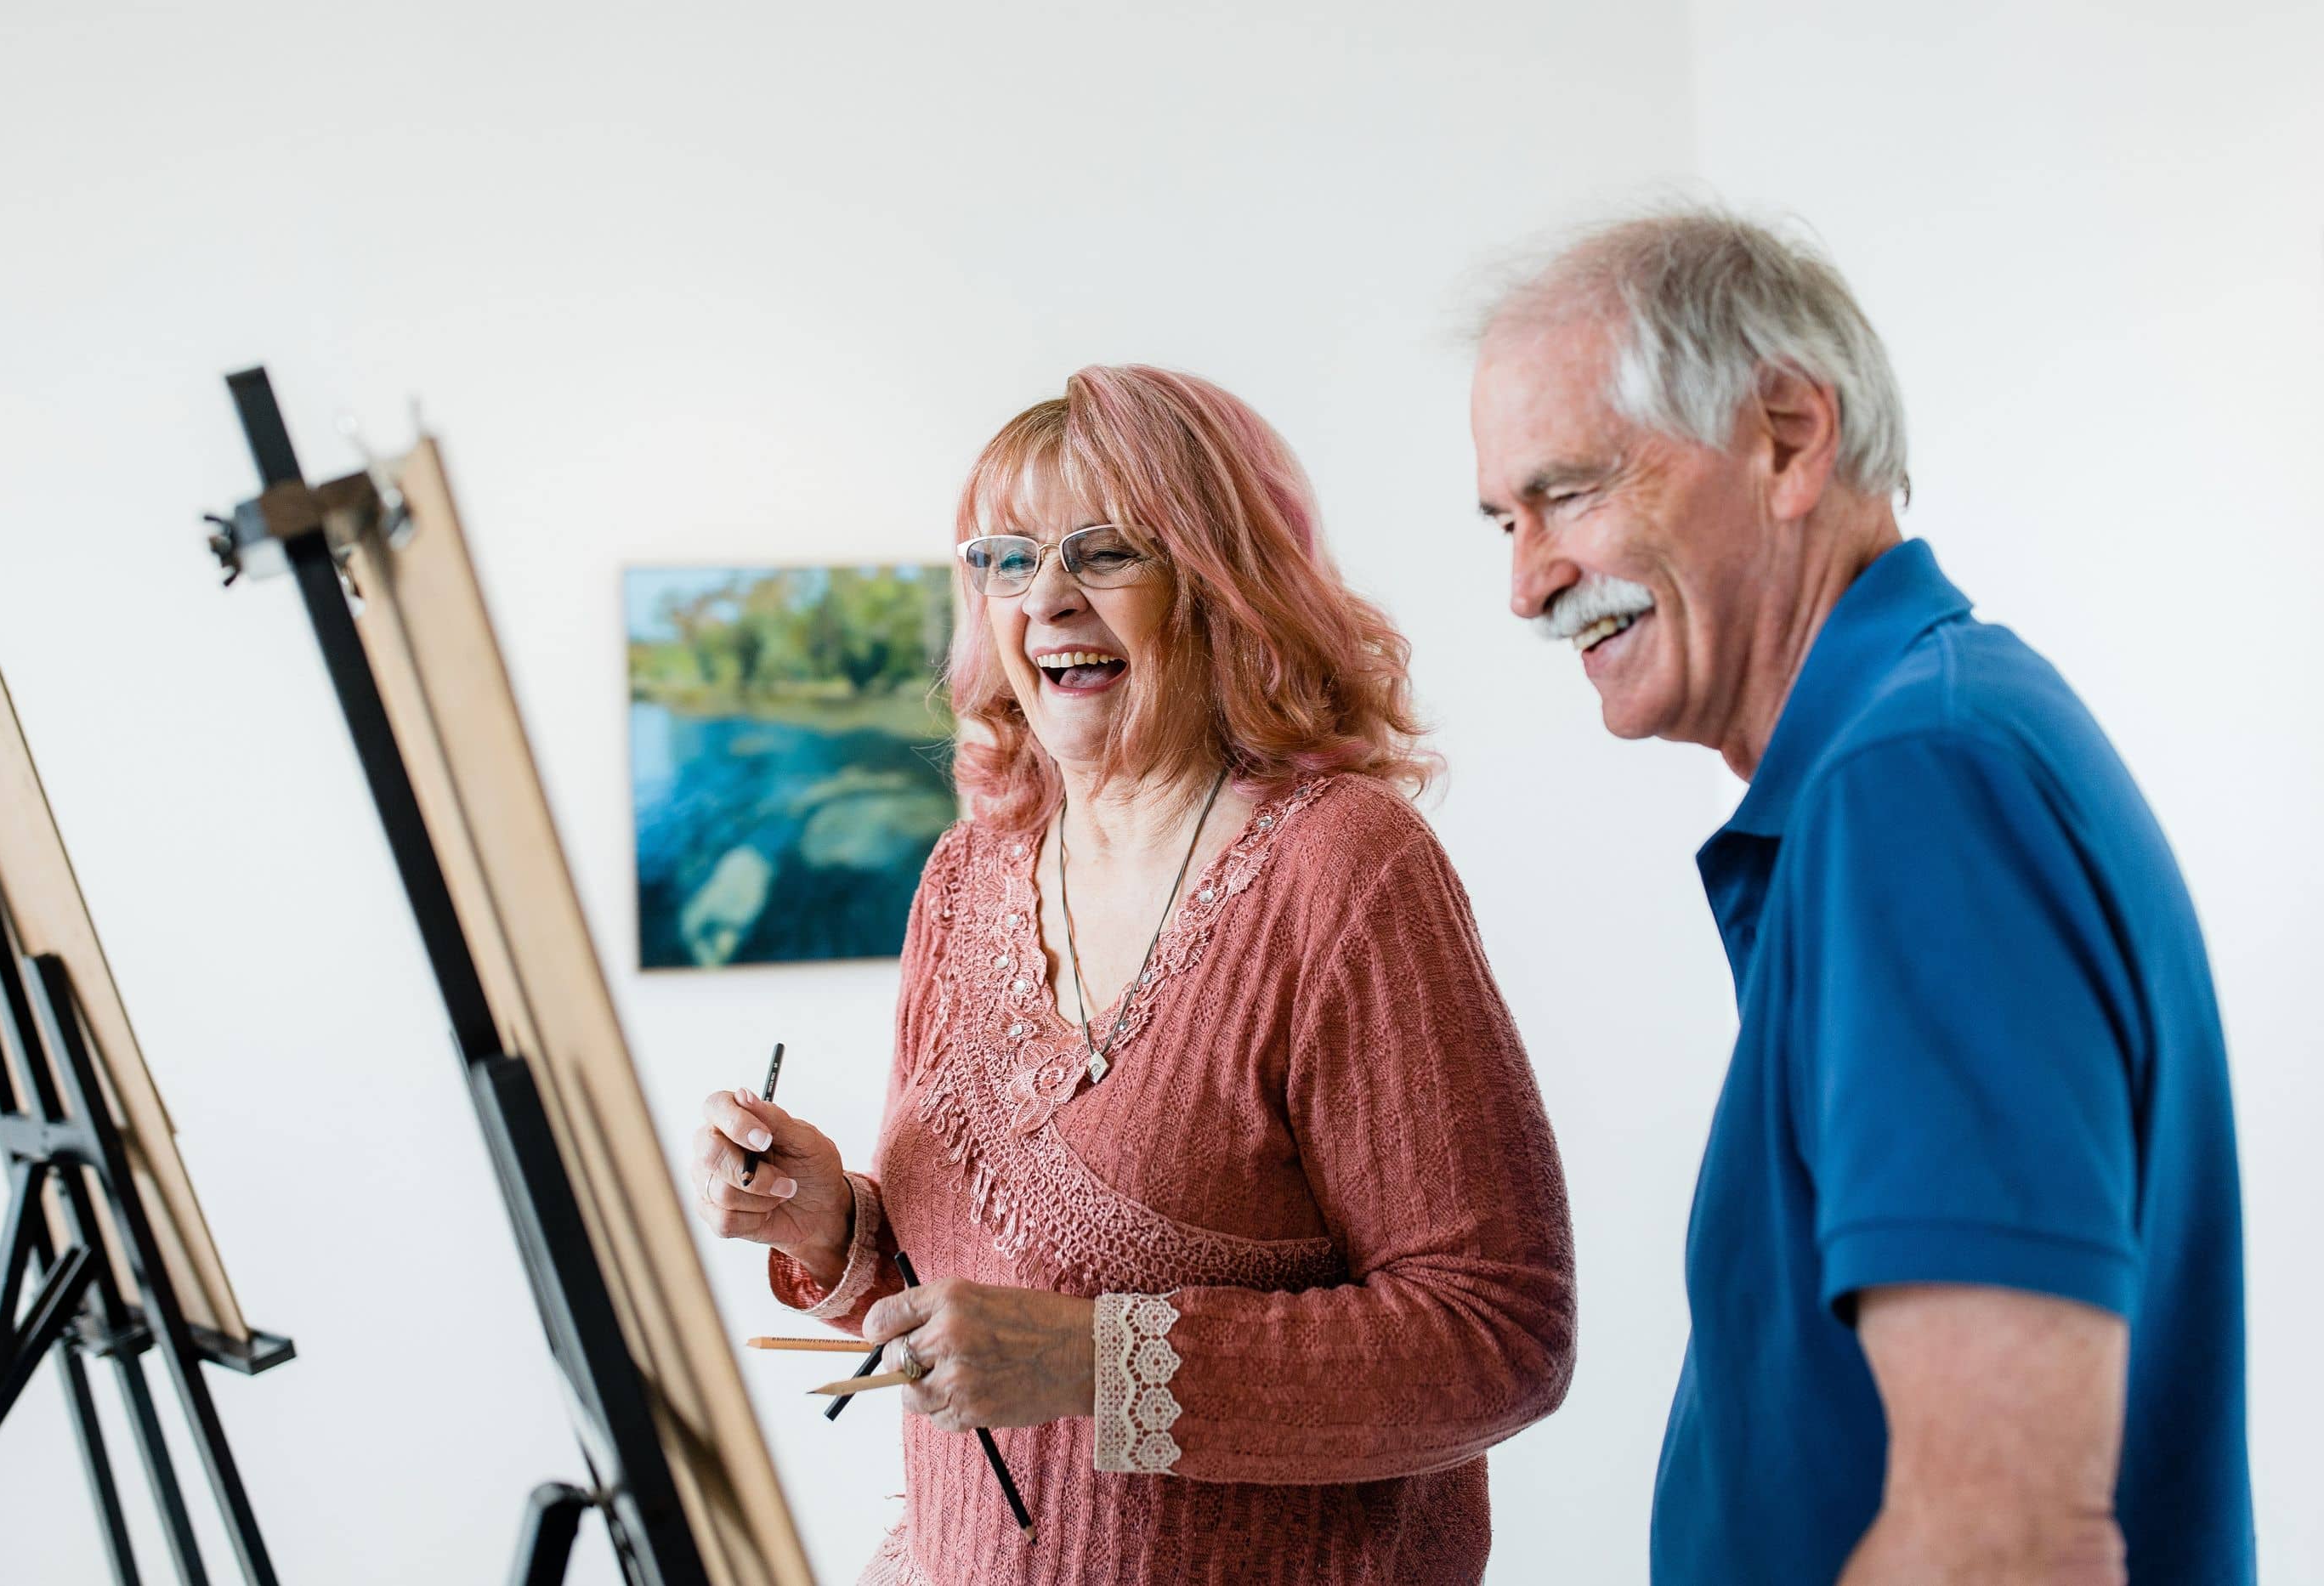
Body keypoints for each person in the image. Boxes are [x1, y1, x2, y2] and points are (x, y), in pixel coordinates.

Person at [692, 365, 1575, 1585]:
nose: (1045, 597)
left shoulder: (1345, 869)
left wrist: (1100, 1360)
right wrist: (833, 1225)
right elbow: (970, 1300)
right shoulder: (963, 876)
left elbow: (1499, 1334)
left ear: (1219, 587)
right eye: (1006, 559)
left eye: (1103, 552)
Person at [1470, 208, 2253, 1583]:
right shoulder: (1923, 749)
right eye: (1505, 519)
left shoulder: (1921, 784)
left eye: (1570, 492)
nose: (1527, 578)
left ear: (1787, 436)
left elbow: (2006, 1536)